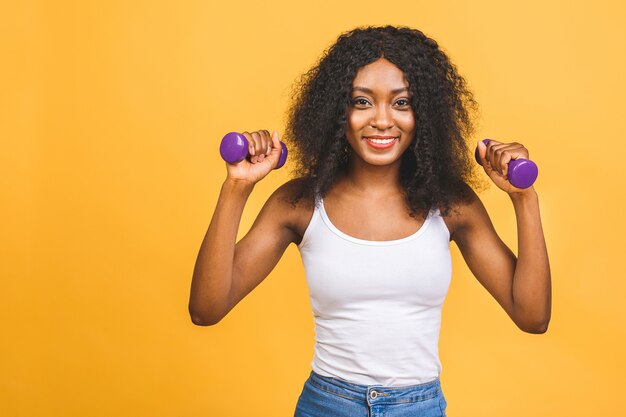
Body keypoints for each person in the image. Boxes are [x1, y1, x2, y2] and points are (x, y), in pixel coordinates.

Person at [188, 25, 551, 417]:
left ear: (424, 113)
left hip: (419, 407)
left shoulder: (451, 204)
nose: (381, 120)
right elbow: (206, 309)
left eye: (402, 103)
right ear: (336, 111)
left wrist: (523, 197)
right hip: (326, 405)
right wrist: (237, 186)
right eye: (362, 102)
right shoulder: (300, 203)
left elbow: (532, 316)